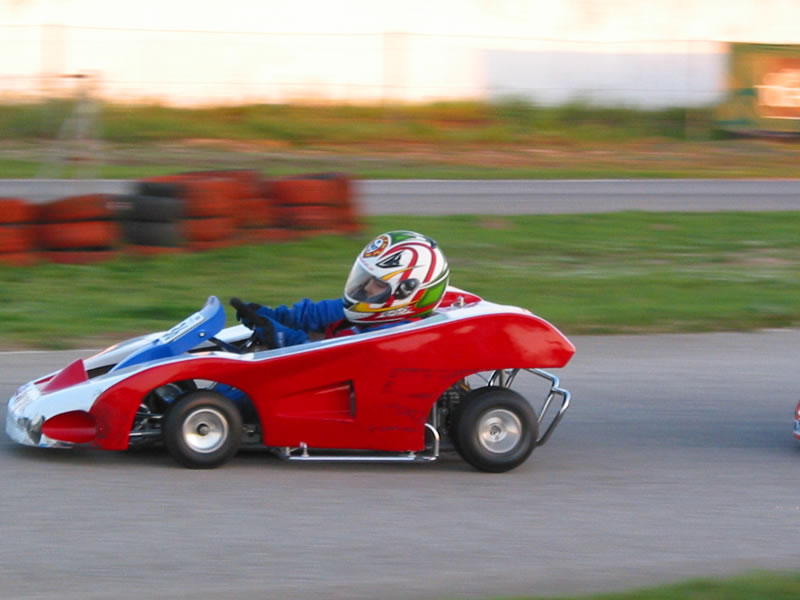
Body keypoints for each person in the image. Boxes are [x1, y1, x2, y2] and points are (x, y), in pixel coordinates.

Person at [236, 230, 450, 348]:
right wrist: (270, 315)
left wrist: (280, 335)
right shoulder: (370, 312)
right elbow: (314, 314)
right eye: (366, 278)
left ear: (405, 292)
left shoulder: (396, 337)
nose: (366, 288)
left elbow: (325, 359)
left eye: (377, 282)